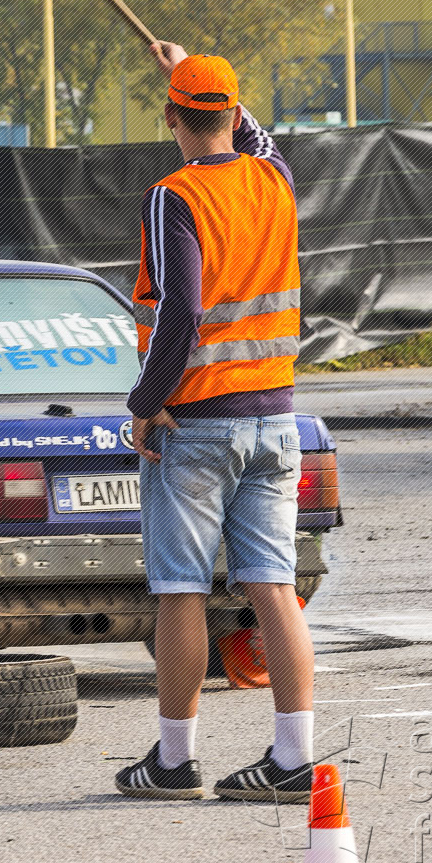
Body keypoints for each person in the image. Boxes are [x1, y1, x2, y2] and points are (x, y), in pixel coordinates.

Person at [113, 41, 315, 803]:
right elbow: (257, 137)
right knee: (273, 589)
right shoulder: (274, 179)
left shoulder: (172, 197)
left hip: (196, 424)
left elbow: (180, 312)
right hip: (275, 417)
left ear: (169, 116)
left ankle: (173, 762)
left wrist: (143, 402)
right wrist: (189, 64)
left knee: (180, 590)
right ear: (230, 113)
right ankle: (291, 758)